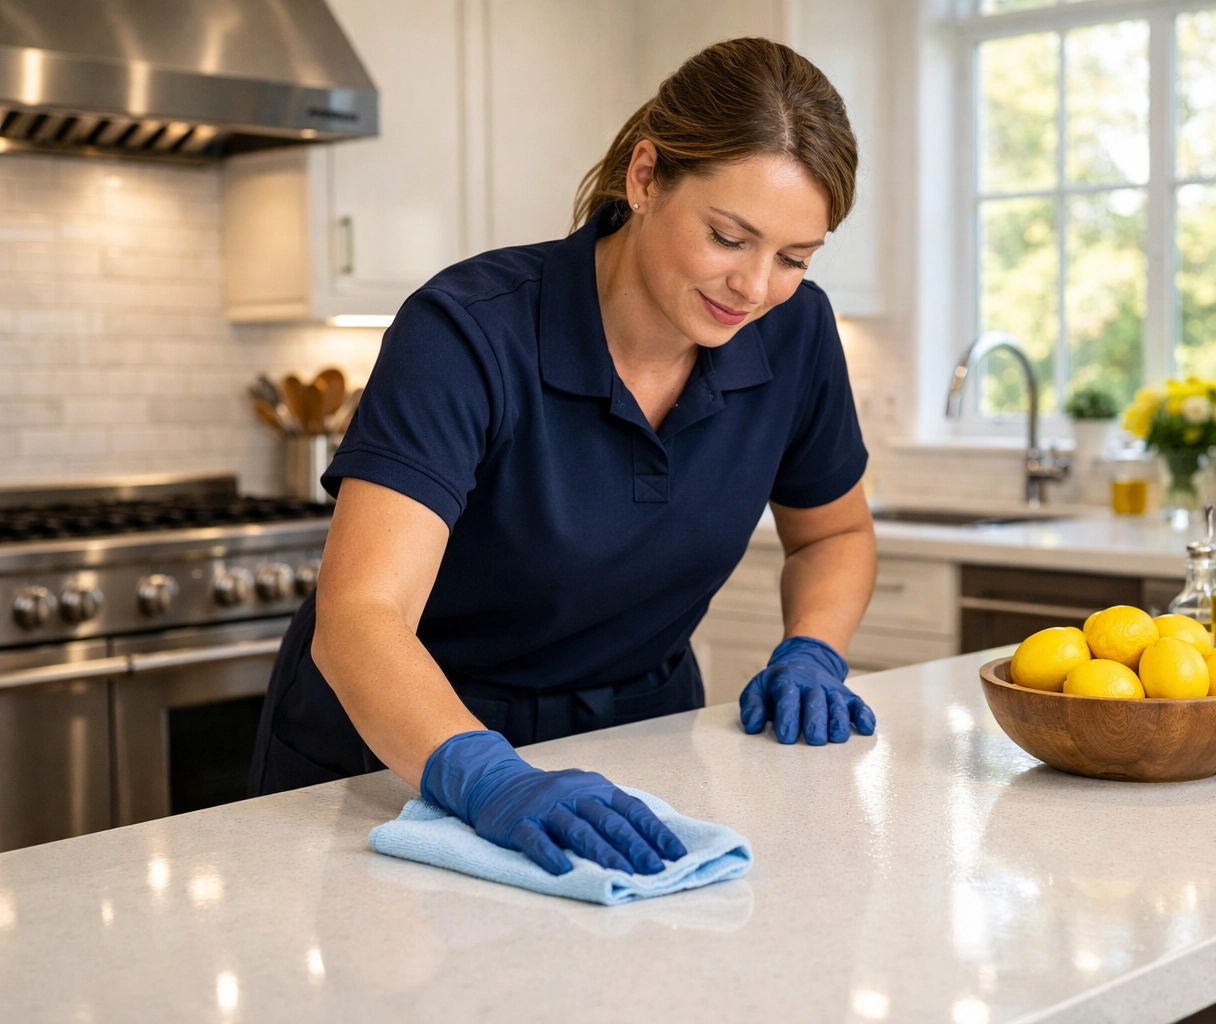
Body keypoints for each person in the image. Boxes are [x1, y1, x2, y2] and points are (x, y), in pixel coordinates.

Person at [249, 37, 877, 876]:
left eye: (795, 258)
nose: (756, 288)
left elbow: (832, 534)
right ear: (646, 178)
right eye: (730, 238)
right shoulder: (468, 332)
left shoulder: (795, 335)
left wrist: (814, 649)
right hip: (402, 754)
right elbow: (360, 614)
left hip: (640, 747)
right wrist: (487, 775)